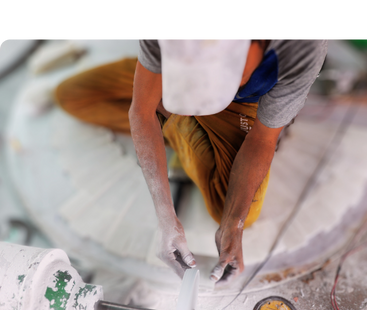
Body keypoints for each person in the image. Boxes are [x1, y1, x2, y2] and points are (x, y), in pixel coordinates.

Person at [55, 37, 328, 284]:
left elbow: (262, 140)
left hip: (244, 106)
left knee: (237, 210)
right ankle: (173, 116)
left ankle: (171, 117)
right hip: (170, 83)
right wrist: (166, 218)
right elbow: (140, 111)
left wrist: (232, 226)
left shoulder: (302, 47)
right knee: (72, 97)